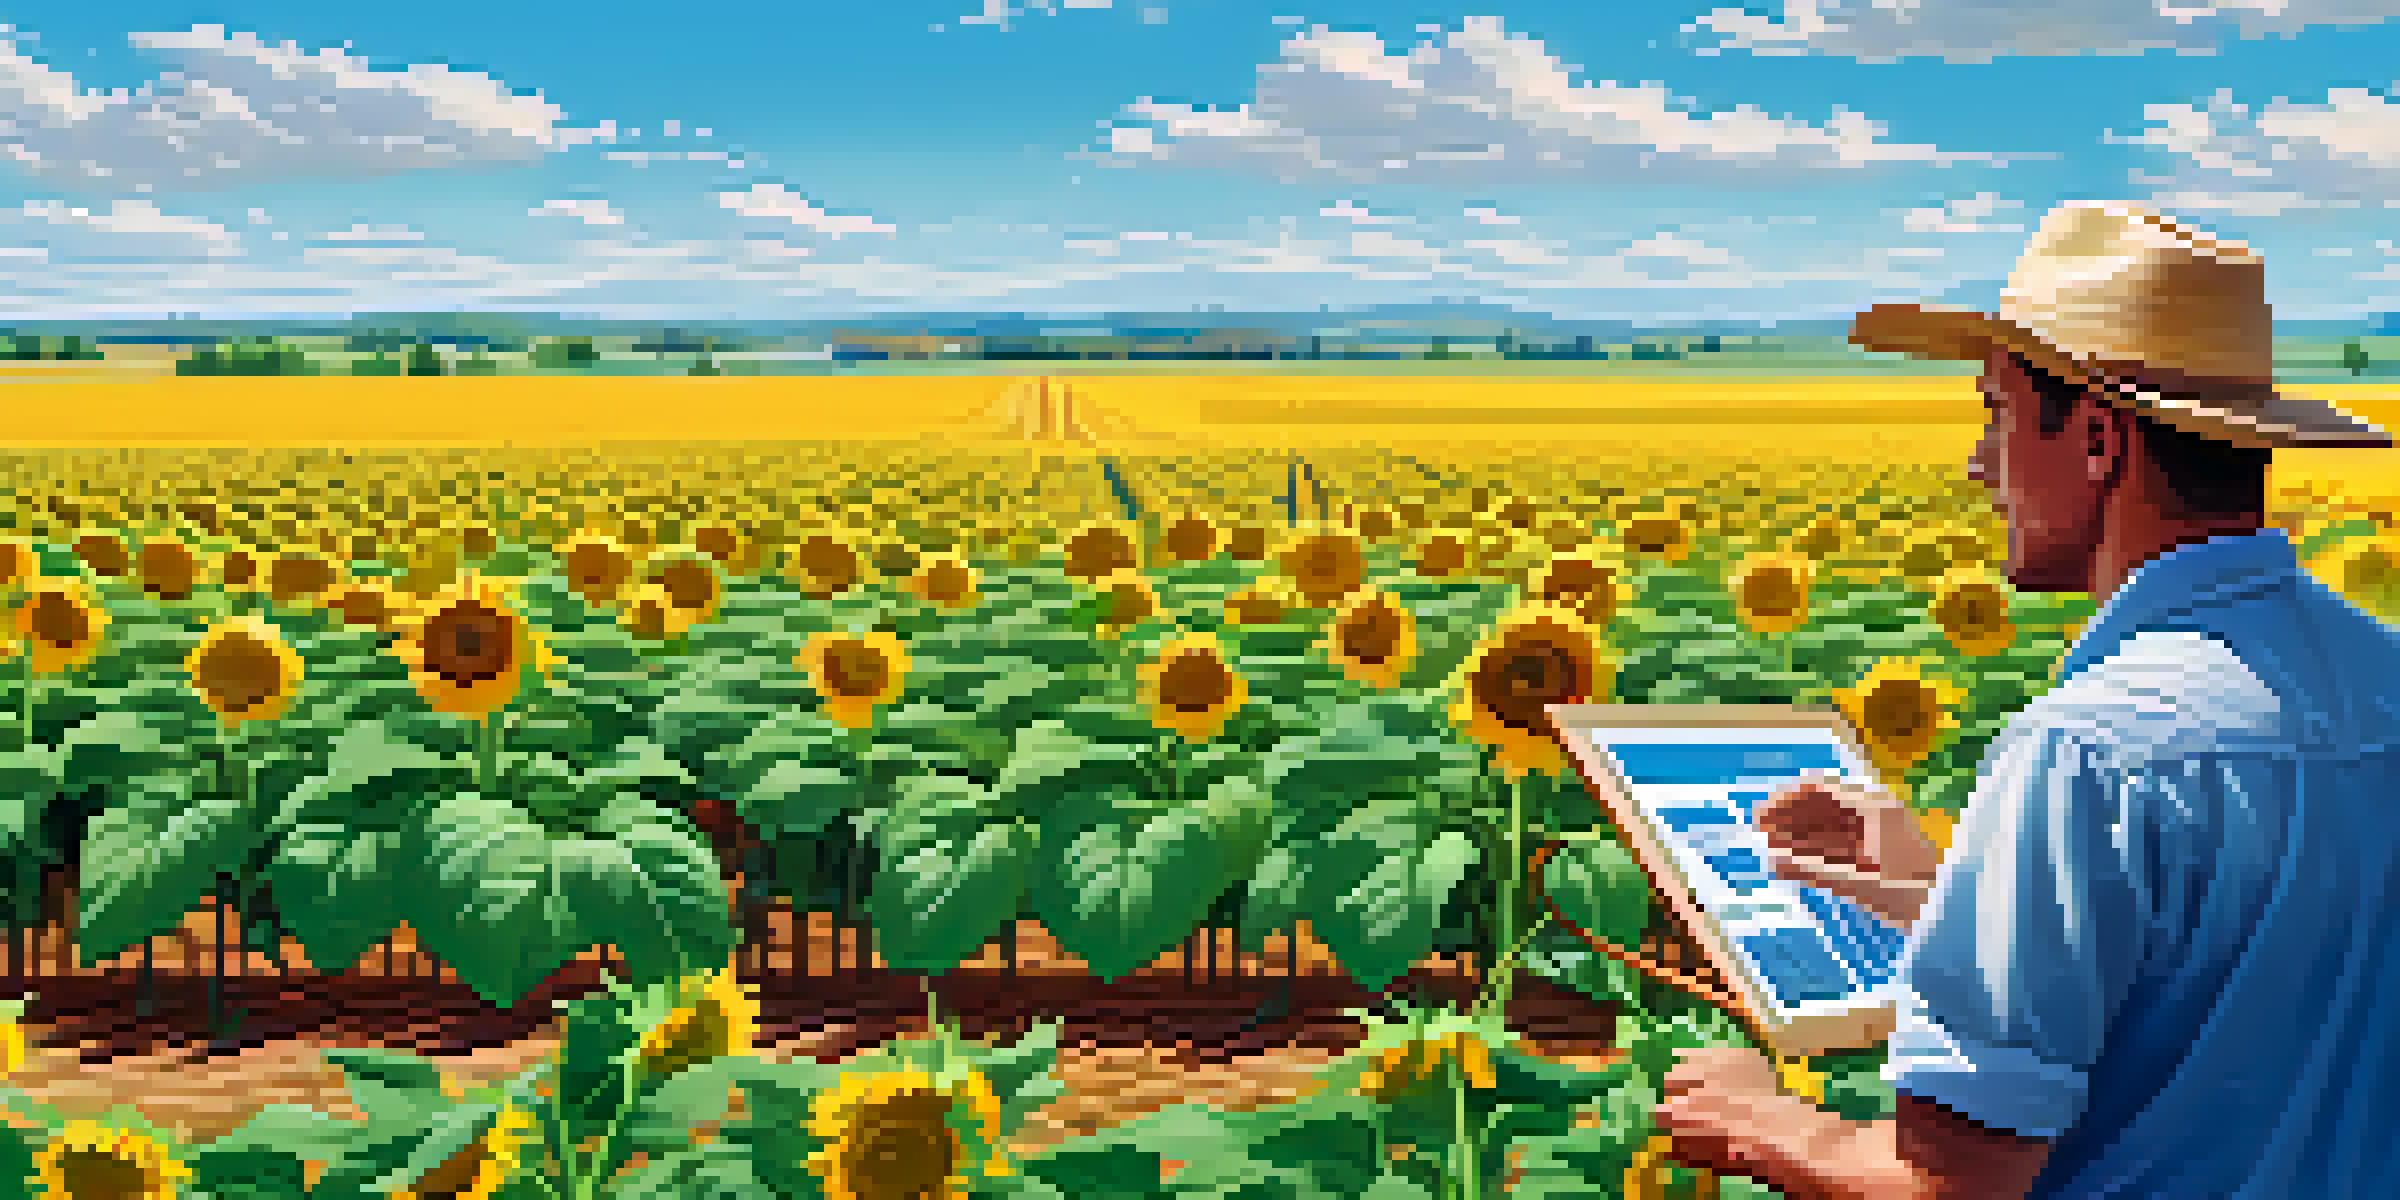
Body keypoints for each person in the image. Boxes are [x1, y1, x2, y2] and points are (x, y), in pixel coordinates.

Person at [1649, 199, 2400, 1199]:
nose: (1979, 465)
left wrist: (1760, 1120)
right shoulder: (2379, 676)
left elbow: (1948, 1186)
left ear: (2098, 442)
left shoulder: (2089, 751)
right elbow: (2242, 993)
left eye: (1997, 416)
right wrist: (1949, 895)